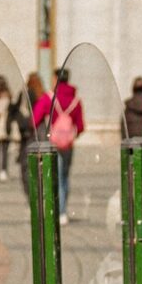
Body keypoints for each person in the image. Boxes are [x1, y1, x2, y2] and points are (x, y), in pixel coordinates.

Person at [34, 73, 86, 209]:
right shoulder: (76, 100)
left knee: (55, 176)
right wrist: (69, 135)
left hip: (53, 143)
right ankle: (64, 209)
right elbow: (81, 126)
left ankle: (59, 210)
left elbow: (35, 118)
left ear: (56, 79)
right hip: (68, 145)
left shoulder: (49, 98)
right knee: (65, 176)